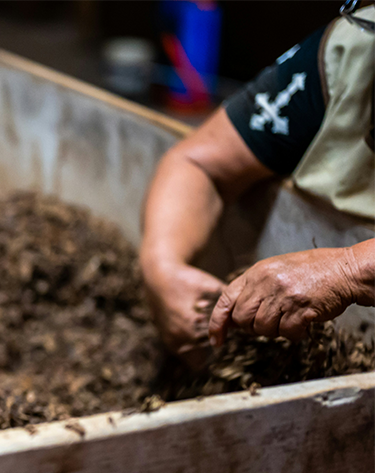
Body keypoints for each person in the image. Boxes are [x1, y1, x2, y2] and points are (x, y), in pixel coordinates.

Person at [140, 0, 374, 367]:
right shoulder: (354, 48)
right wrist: (162, 265)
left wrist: (347, 270)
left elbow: (348, 272)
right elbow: (197, 164)